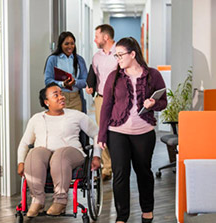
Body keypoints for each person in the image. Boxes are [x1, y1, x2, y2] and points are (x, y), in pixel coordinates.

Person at [98, 37, 167, 223]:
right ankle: (121, 217)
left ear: (133, 54)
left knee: (143, 172)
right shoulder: (114, 77)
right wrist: (102, 134)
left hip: (144, 132)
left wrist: (153, 103)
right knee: (120, 174)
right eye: (116, 55)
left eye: (121, 55)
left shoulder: (153, 75)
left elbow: (163, 102)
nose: (118, 59)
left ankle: (147, 211)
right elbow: (106, 106)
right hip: (117, 131)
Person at [17, 82, 101, 217]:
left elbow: (97, 134)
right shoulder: (37, 119)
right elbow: (25, 143)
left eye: (61, 94)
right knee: (34, 153)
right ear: (46, 102)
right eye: (56, 95)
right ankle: (37, 200)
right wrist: (21, 162)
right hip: (44, 154)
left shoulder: (76, 115)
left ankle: (60, 201)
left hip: (71, 153)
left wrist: (97, 156)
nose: (61, 97)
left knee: (60, 155)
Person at [86, 24, 117, 181]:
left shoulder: (120, 52)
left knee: (117, 132)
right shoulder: (96, 56)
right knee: (101, 132)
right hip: (101, 98)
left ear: (106, 37)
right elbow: (93, 74)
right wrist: (89, 85)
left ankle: (120, 166)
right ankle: (107, 167)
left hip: (118, 100)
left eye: (97, 36)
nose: (94, 39)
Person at [44, 32, 88, 113]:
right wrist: (62, 84)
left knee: (75, 124)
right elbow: (47, 81)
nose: (70, 46)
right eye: (66, 44)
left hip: (76, 98)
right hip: (59, 97)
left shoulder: (79, 60)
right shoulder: (53, 59)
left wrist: (75, 82)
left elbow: (85, 81)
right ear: (61, 45)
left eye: (72, 43)